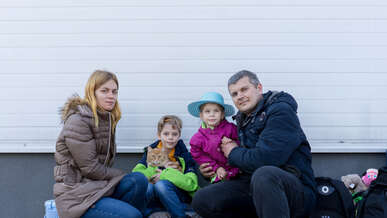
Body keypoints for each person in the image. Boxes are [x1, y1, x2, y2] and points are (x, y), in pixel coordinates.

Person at [192, 70, 317, 218]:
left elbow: (266, 159)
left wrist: (232, 152)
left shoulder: (280, 111)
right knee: (203, 199)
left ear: (259, 88)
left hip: (294, 190)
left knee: (265, 174)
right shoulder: (243, 119)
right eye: (234, 94)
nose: (240, 96)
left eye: (244, 89)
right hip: (253, 185)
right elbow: (242, 162)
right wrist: (214, 169)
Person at [53, 70, 148, 218]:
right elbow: (90, 168)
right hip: (77, 196)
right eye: (104, 91)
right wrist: (121, 175)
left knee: (138, 180)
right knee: (132, 215)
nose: (111, 96)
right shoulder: (79, 121)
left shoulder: (106, 119)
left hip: (98, 188)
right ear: (93, 92)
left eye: (114, 92)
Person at [132, 115, 199, 218]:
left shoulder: (184, 156)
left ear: (179, 135)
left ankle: (180, 215)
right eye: (166, 134)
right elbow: (135, 176)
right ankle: (142, 214)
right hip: (154, 198)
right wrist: (152, 169)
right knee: (147, 187)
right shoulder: (151, 151)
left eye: (174, 134)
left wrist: (165, 174)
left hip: (176, 194)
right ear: (159, 135)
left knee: (161, 185)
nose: (170, 137)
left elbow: (192, 185)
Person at [188, 92, 240, 183]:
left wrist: (234, 143)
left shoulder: (231, 128)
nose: (212, 114)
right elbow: (198, 155)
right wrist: (216, 167)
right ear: (201, 115)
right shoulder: (198, 138)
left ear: (222, 114)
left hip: (235, 169)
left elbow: (242, 142)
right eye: (207, 111)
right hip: (217, 171)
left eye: (216, 111)